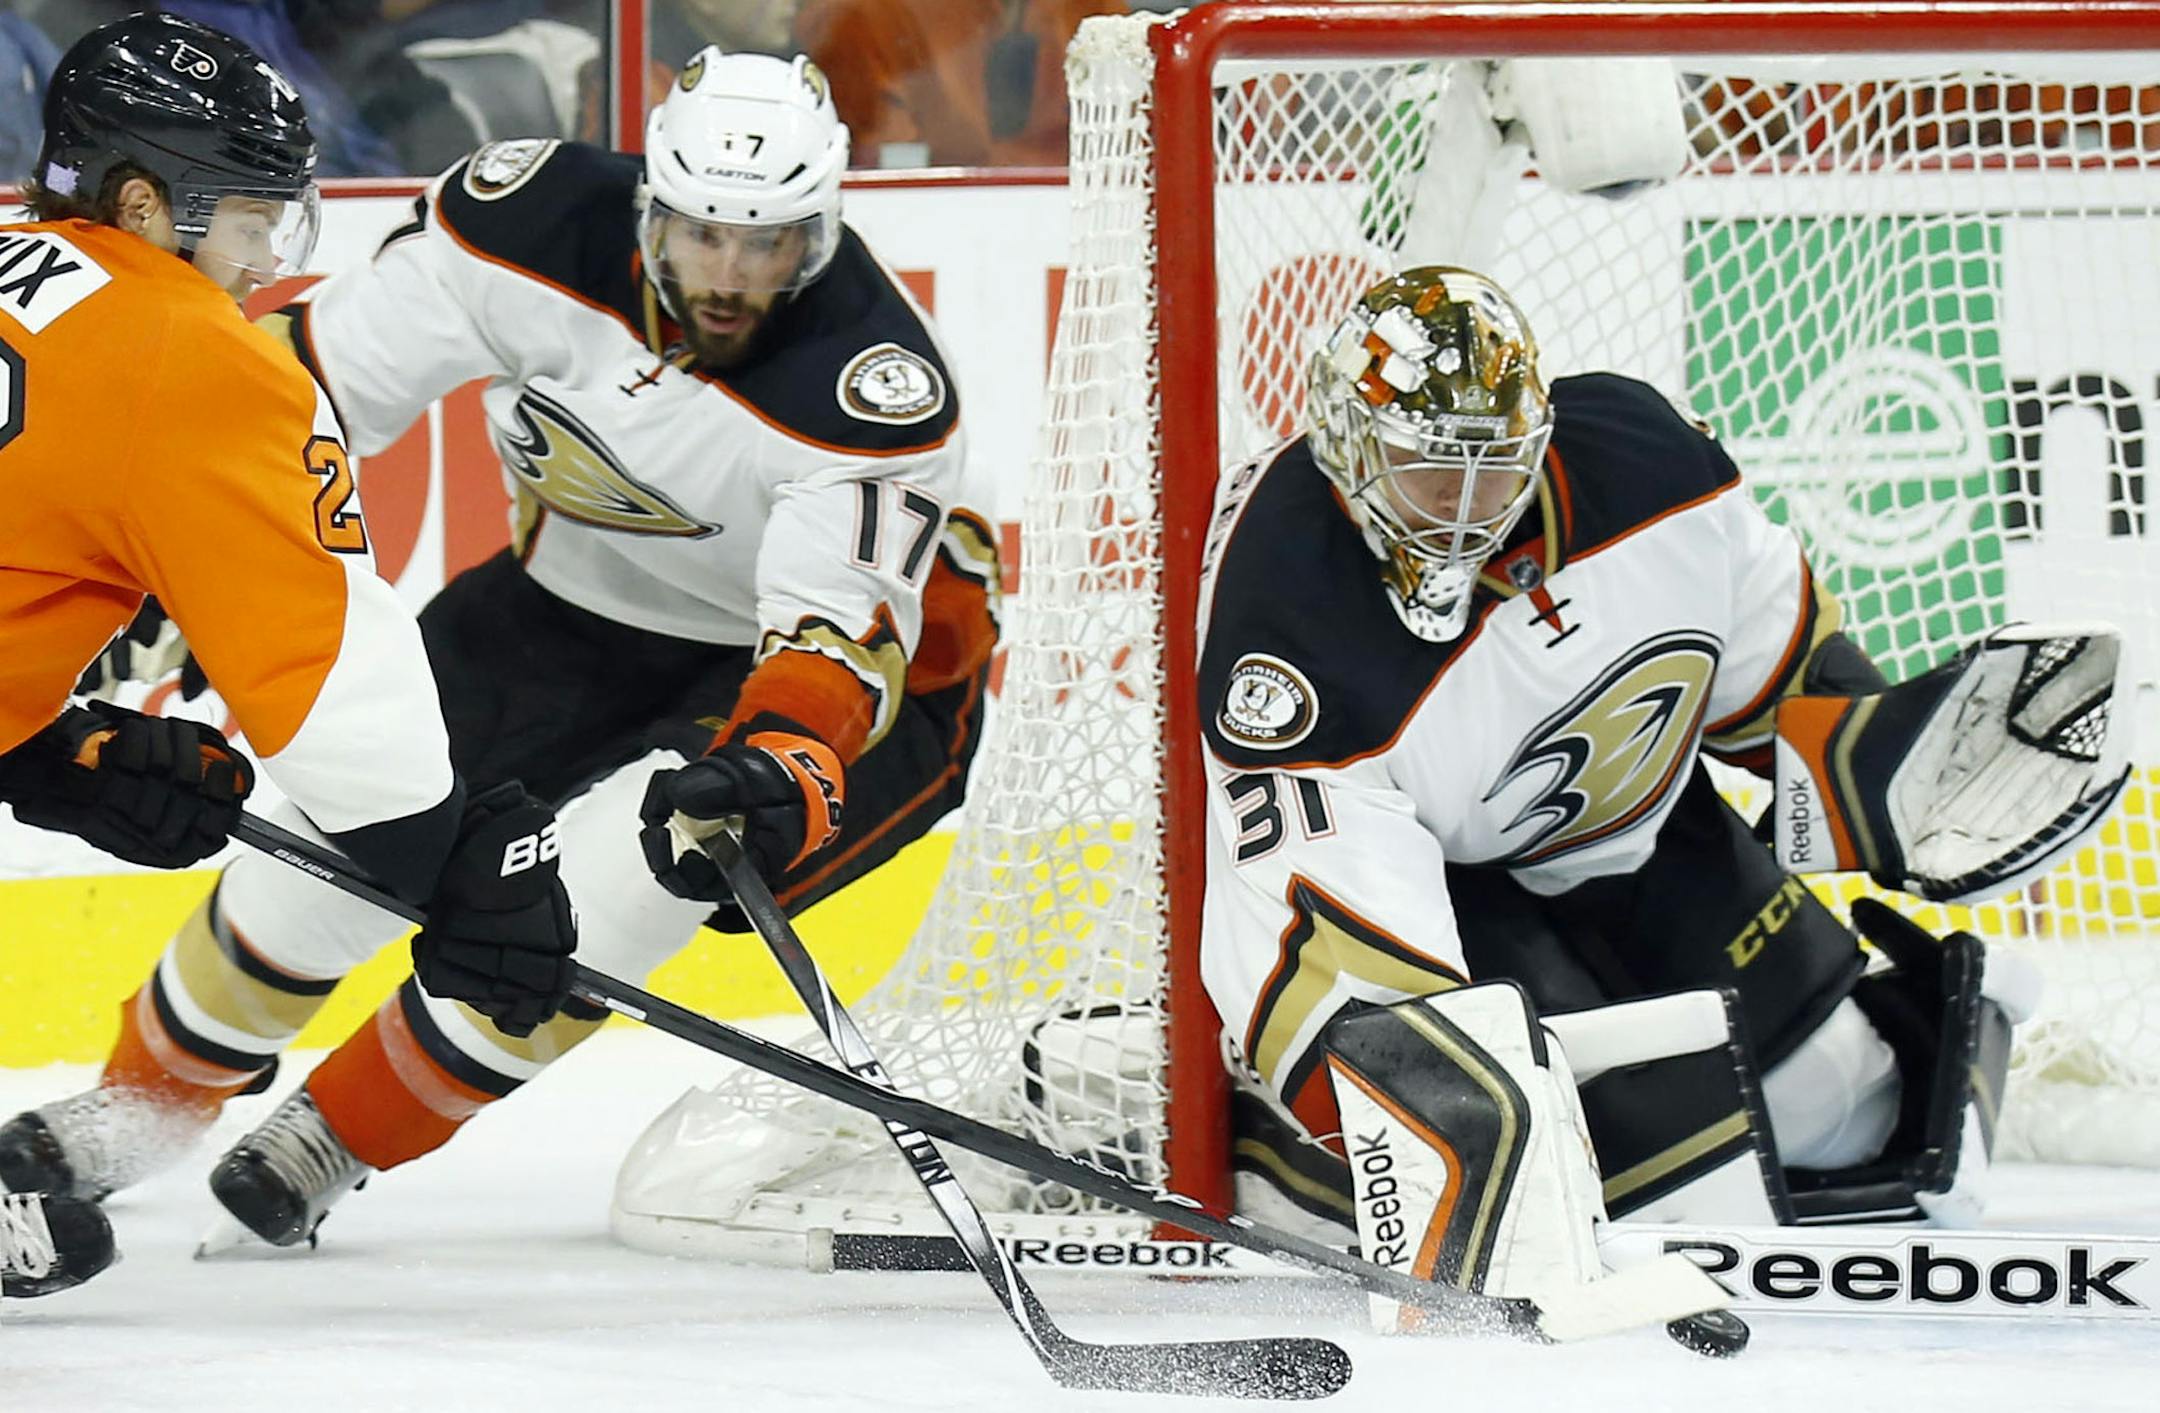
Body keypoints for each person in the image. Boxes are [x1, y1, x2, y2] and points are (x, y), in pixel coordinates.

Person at [3, 44, 998, 1253]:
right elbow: (311, 383)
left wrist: (787, 751)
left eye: (770, 243)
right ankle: (145, 1106)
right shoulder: (525, 221)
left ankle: (339, 1133)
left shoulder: (871, 386)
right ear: (650, 202)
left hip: (826, 682)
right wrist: (195, 557)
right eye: (703, 235)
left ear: (823, 233)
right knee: (324, 853)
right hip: (566, 605)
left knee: (632, 876)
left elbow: (839, 635)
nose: (732, 276)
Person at [1197, 266, 2124, 1303]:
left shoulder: (1650, 466)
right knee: (1601, 1186)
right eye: (1426, 469)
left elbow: (1774, 676)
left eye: (1491, 468)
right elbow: (1329, 923)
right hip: (1460, 896)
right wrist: (1417, 1102)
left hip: (1646, 834)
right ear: (1347, 448)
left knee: (1845, 1114)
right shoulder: (1289, 615)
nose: (1462, 509)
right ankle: (1286, 1157)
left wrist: (1891, 772)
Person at [0, 13, 577, 1294]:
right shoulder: (191, 355)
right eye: (249, 218)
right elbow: (337, 699)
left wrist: (40, 748)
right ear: (144, 204)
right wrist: (459, 873)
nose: (267, 260)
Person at [797, 0, 1125, 168]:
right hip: (931, 224)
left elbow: (1123, 137)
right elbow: (878, 164)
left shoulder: (1091, 11)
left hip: (1071, 219)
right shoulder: (859, 15)